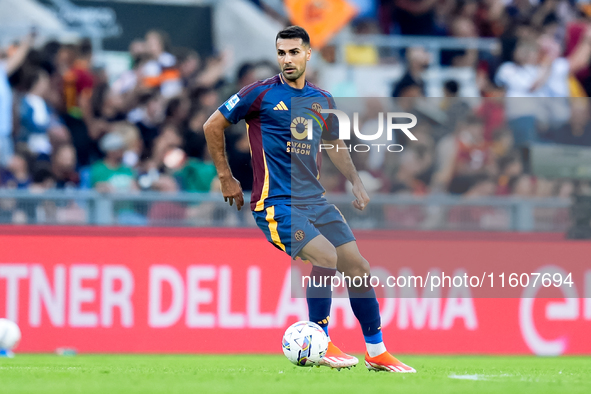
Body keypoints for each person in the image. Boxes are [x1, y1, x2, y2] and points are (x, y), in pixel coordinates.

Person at [204, 26, 415, 373]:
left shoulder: (322, 99)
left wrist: (356, 182)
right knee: (327, 256)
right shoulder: (258, 94)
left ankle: (376, 352)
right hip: (276, 204)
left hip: (315, 201)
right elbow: (212, 125)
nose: (287, 59)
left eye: (293, 52)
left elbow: (333, 144)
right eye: (281, 53)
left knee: (359, 268)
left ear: (307, 54)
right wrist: (227, 178)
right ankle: (321, 338)